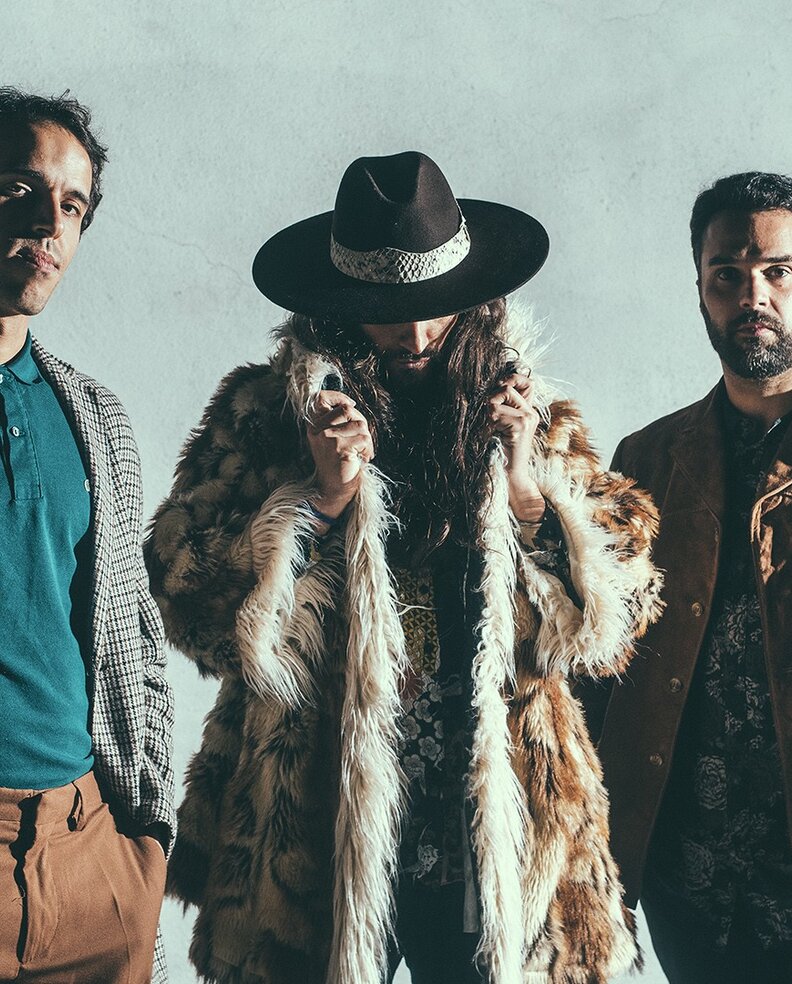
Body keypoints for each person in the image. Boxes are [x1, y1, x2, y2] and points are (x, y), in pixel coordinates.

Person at [146, 150, 662, 984]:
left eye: (435, 310)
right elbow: (185, 596)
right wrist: (317, 501)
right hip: (316, 815)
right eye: (390, 314)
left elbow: (615, 619)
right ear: (343, 306)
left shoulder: (526, 416)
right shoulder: (270, 417)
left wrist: (528, 491)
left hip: (497, 822)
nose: (417, 337)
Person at [581, 172, 792, 984]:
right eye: (727, 274)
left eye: (778, 271)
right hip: (689, 883)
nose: (753, 296)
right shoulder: (649, 460)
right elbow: (600, 660)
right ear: (700, 290)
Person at [0, 87, 174, 984]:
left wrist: (144, 853)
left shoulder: (95, 418)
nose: (49, 224)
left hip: (88, 857)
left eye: (72, 206)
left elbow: (130, 636)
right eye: (21, 190)